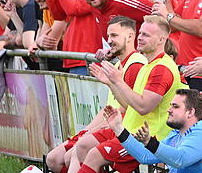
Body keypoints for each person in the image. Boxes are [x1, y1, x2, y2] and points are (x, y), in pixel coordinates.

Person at [74, 16, 187, 173]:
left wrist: (118, 81)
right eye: (140, 33)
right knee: (84, 149)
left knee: (93, 154)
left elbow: (143, 107)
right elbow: (130, 105)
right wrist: (111, 83)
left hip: (148, 138)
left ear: (161, 40)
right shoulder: (150, 64)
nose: (139, 38)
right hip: (132, 133)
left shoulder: (161, 68)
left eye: (146, 35)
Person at [47, 0, 152, 75]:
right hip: (125, 66)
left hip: (144, 65)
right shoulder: (94, 3)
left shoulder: (124, 0)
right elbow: (61, 14)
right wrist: (113, 51)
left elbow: (161, 20)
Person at [103, 89, 202, 173]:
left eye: (175, 106)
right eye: (170, 105)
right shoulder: (176, 135)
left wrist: (150, 142)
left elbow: (181, 159)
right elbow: (145, 156)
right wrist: (118, 128)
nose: (169, 110)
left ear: (190, 112)